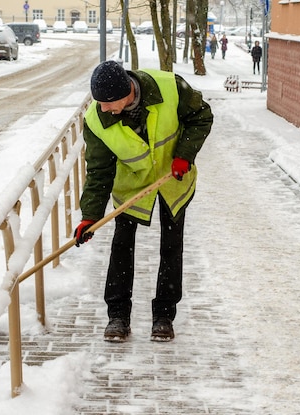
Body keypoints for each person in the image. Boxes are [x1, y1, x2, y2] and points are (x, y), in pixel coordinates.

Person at [74, 60, 213, 343]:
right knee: (122, 244)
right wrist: (90, 216)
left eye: (107, 102)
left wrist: (185, 154)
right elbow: (99, 170)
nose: (103, 109)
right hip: (132, 186)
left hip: (173, 179)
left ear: (126, 93)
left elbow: (202, 116)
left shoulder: (170, 88)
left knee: (171, 246)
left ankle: (164, 314)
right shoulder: (96, 120)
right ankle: (117, 315)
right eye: (98, 102)